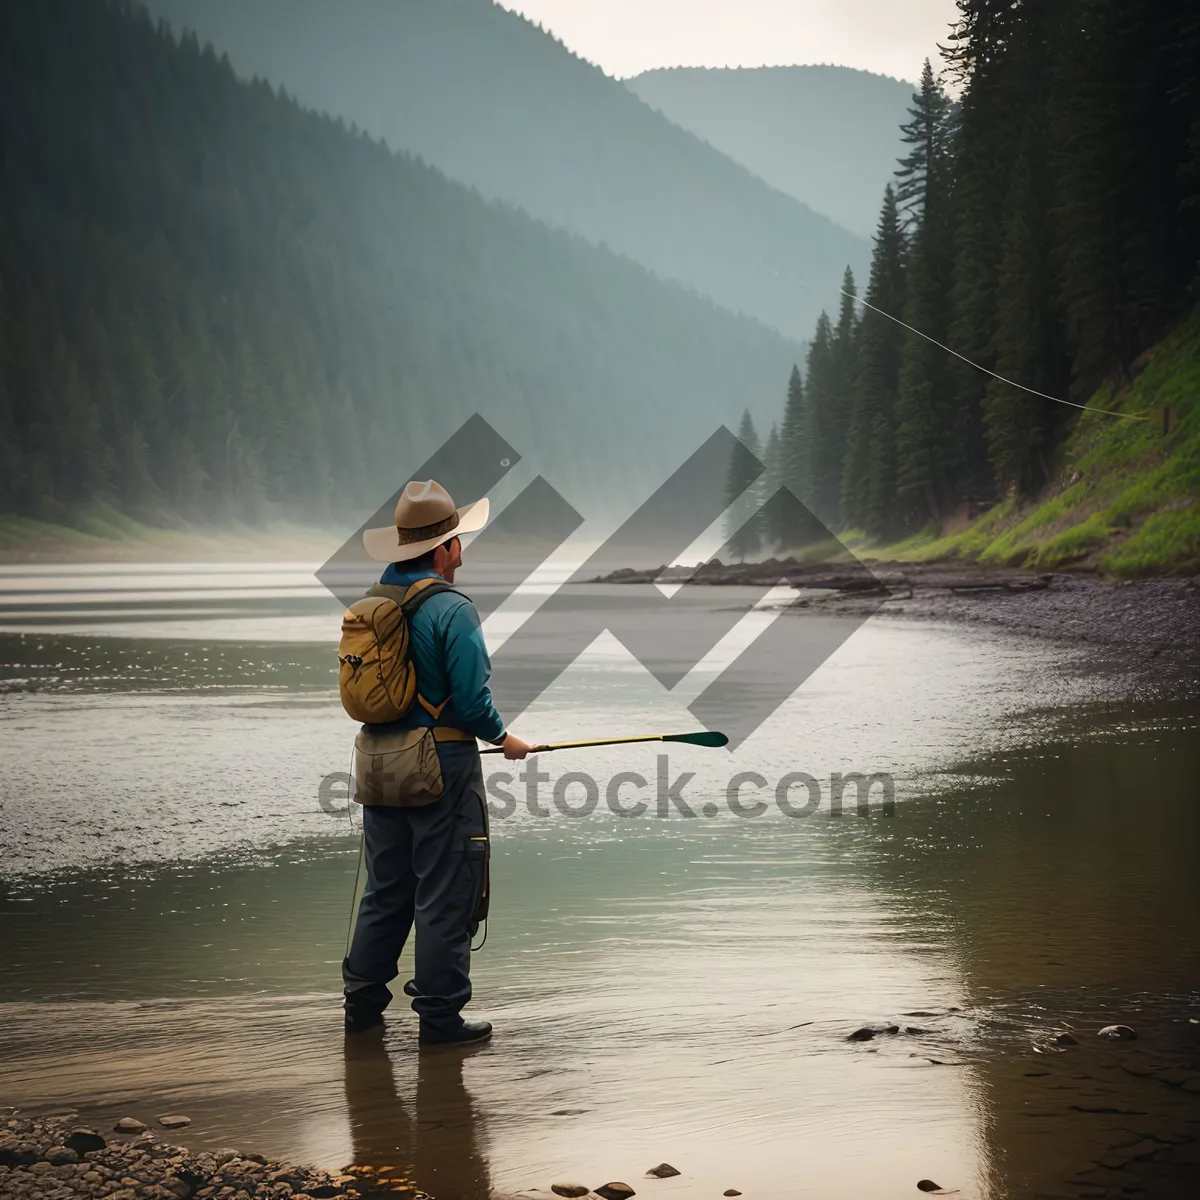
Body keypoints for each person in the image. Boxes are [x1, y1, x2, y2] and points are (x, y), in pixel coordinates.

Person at [342, 479, 530, 1044]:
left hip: (377, 762)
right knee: (447, 889)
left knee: (386, 889)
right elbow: (472, 704)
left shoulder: (371, 604)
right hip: (440, 765)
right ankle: (441, 1019)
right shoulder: (452, 609)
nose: (461, 553)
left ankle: (362, 1007)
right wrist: (504, 738)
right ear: (442, 548)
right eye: (457, 542)